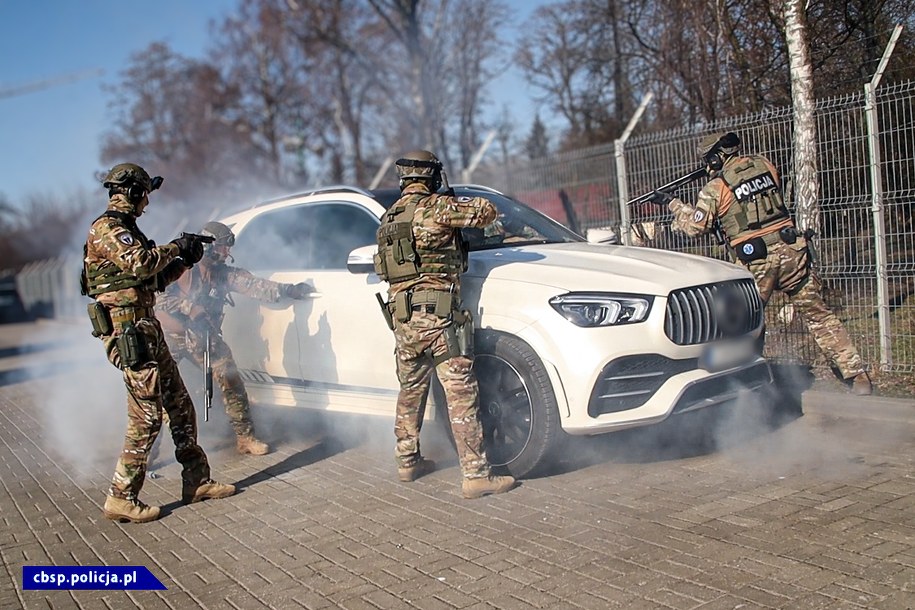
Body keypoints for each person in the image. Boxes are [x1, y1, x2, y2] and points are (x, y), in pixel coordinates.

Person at [654, 132, 873, 396]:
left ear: (714, 157)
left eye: (707, 160)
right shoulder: (765, 165)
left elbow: (695, 227)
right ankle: (856, 376)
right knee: (819, 315)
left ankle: (744, 385)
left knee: (742, 325)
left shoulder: (716, 187)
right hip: (792, 251)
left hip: (757, 261)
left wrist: (673, 203)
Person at [82, 163, 236, 524]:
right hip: (129, 334)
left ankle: (196, 480)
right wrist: (175, 246)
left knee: (180, 404)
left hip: (145, 330)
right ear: (133, 192)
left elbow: (153, 281)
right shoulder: (108, 229)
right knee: (147, 416)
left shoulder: (128, 230)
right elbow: (141, 264)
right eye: (145, 195)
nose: (146, 203)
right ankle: (121, 496)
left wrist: (184, 259)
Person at [374, 149, 518, 499]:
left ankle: (407, 461)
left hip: (404, 320)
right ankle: (476, 475)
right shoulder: (436, 207)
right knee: (461, 392)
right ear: (431, 176)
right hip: (438, 317)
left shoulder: (389, 218)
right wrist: (453, 197)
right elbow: (486, 213)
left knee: (410, 391)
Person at [156, 221, 314, 455]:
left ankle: (245, 438)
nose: (226, 252)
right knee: (156, 391)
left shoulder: (222, 274)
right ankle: (148, 452)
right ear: (208, 246)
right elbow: (156, 298)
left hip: (205, 337)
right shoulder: (181, 269)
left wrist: (289, 290)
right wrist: (189, 307)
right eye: (222, 247)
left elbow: (254, 285)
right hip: (172, 336)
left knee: (231, 381)